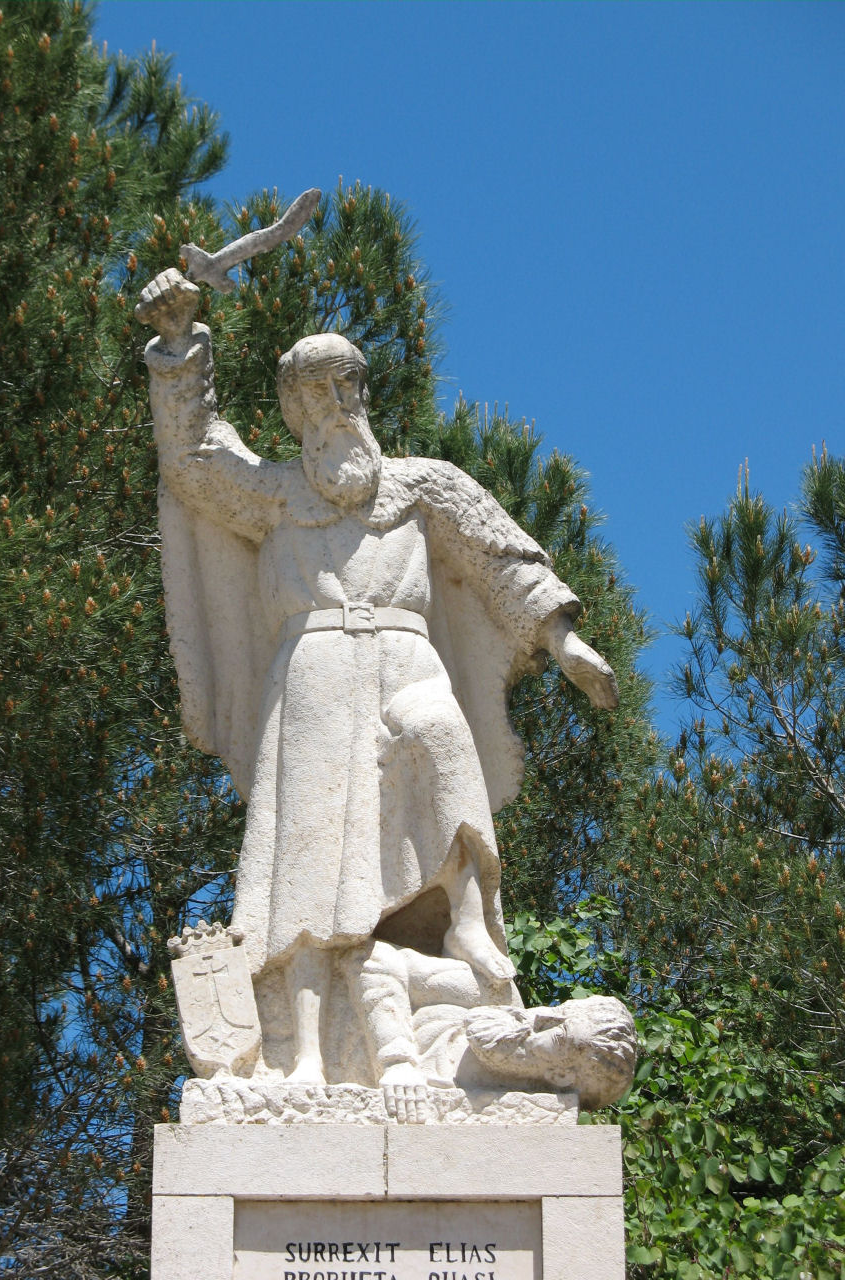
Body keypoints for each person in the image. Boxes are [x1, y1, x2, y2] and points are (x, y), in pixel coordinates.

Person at [138, 268, 618, 1086]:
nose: (329, 407)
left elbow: (497, 552)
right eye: (309, 394)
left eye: (342, 386)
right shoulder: (275, 495)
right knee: (312, 864)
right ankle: (305, 1050)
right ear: (291, 412)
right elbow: (192, 462)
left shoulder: (423, 485)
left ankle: (468, 934)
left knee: (442, 740)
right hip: (315, 682)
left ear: (363, 392)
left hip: (407, 662)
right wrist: (181, 348)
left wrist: (560, 637)